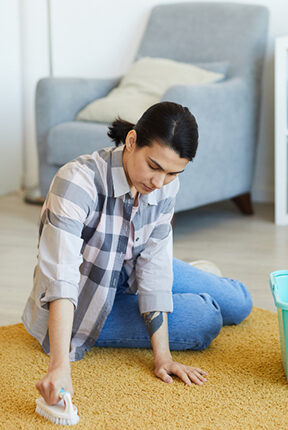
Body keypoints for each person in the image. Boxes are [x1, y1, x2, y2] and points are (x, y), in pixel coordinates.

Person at [22, 101, 252, 406]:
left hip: (132, 268)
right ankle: (188, 287)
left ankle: (186, 282)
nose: (159, 183)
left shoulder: (165, 185)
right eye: (154, 166)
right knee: (206, 317)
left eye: (172, 173)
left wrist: (163, 358)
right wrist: (60, 367)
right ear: (131, 141)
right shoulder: (76, 182)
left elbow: (155, 266)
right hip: (84, 297)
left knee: (240, 302)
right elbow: (61, 278)